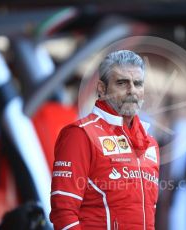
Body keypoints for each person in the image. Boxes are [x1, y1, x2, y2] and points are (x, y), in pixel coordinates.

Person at [50, 50, 160, 230]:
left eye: (138, 83)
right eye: (122, 83)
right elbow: (63, 211)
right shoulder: (80, 135)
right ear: (102, 88)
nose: (132, 90)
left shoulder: (151, 144)